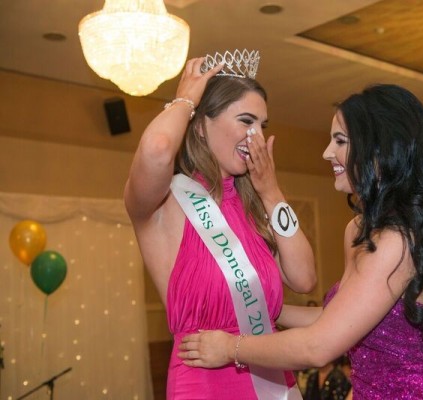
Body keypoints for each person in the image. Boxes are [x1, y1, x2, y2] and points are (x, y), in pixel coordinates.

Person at [178, 84, 423, 399]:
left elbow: (318, 346)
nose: (326, 152)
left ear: (378, 150)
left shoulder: (398, 241)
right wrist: (254, 302)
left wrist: (231, 347)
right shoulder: (358, 229)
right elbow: (336, 318)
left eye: (339, 141)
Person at [124, 53, 316, 399]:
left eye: (263, 126)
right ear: (200, 125)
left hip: (272, 378)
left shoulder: (254, 207)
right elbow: (156, 149)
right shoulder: (165, 202)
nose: (256, 137)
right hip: (205, 384)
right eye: (246, 121)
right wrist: (185, 100)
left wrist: (272, 193)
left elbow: (304, 278)